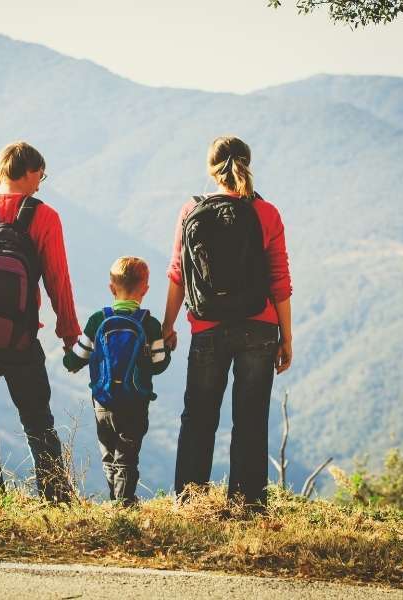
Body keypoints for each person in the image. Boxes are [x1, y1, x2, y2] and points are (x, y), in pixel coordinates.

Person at [162, 136, 293, 512]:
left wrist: (167, 326)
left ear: (210, 169)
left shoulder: (191, 209)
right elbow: (279, 279)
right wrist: (286, 337)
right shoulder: (267, 213)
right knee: (251, 417)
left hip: (207, 327)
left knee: (199, 416)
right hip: (259, 327)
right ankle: (248, 504)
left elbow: (178, 273)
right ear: (248, 164)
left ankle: (190, 501)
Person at [0, 141, 81, 501]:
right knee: (37, 418)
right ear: (28, 172)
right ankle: (56, 496)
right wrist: (69, 333)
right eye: (41, 174)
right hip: (20, 336)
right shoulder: (45, 216)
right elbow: (57, 279)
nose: (41, 181)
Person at [63, 257, 170, 506]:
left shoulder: (97, 321)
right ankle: (124, 504)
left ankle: (116, 500)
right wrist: (168, 346)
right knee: (127, 457)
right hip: (135, 403)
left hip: (103, 402)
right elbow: (159, 365)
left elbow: (74, 361)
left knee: (109, 456)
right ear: (144, 289)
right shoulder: (150, 324)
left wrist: (70, 358)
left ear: (112, 288)